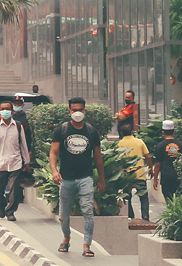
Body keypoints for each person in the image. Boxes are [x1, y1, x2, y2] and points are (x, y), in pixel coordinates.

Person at [50, 97, 106, 258]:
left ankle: (87, 245)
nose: (77, 113)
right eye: (74, 110)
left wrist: (102, 180)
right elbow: (53, 153)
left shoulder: (91, 131)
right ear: (69, 112)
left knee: (88, 211)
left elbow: (98, 157)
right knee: (63, 215)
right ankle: (66, 237)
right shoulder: (61, 130)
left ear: (85, 111)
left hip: (85, 178)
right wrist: (54, 171)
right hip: (66, 179)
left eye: (80, 110)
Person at [0, 101, 29, 221]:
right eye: (2, 108)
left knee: (14, 190)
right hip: (0, 163)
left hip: (15, 162)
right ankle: (1, 205)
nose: (5, 111)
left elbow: (24, 144)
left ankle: (10, 212)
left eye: (7, 108)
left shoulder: (18, 126)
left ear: (12, 111)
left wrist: (26, 161)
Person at [116, 117, 150, 221]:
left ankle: (130, 215)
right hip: (140, 174)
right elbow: (147, 156)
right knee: (143, 196)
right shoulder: (139, 142)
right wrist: (150, 169)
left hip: (127, 176)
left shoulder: (119, 144)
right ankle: (145, 215)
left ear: (121, 132)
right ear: (132, 131)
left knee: (127, 197)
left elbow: (117, 160)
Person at [151, 120, 182, 201]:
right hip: (178, 176)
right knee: (179, 199)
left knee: (168, 199)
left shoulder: (160, 146)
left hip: (166, 177)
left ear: (163, 132)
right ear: (174, 131)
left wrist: (155, 179)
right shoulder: (181, 145)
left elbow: (157, 164)